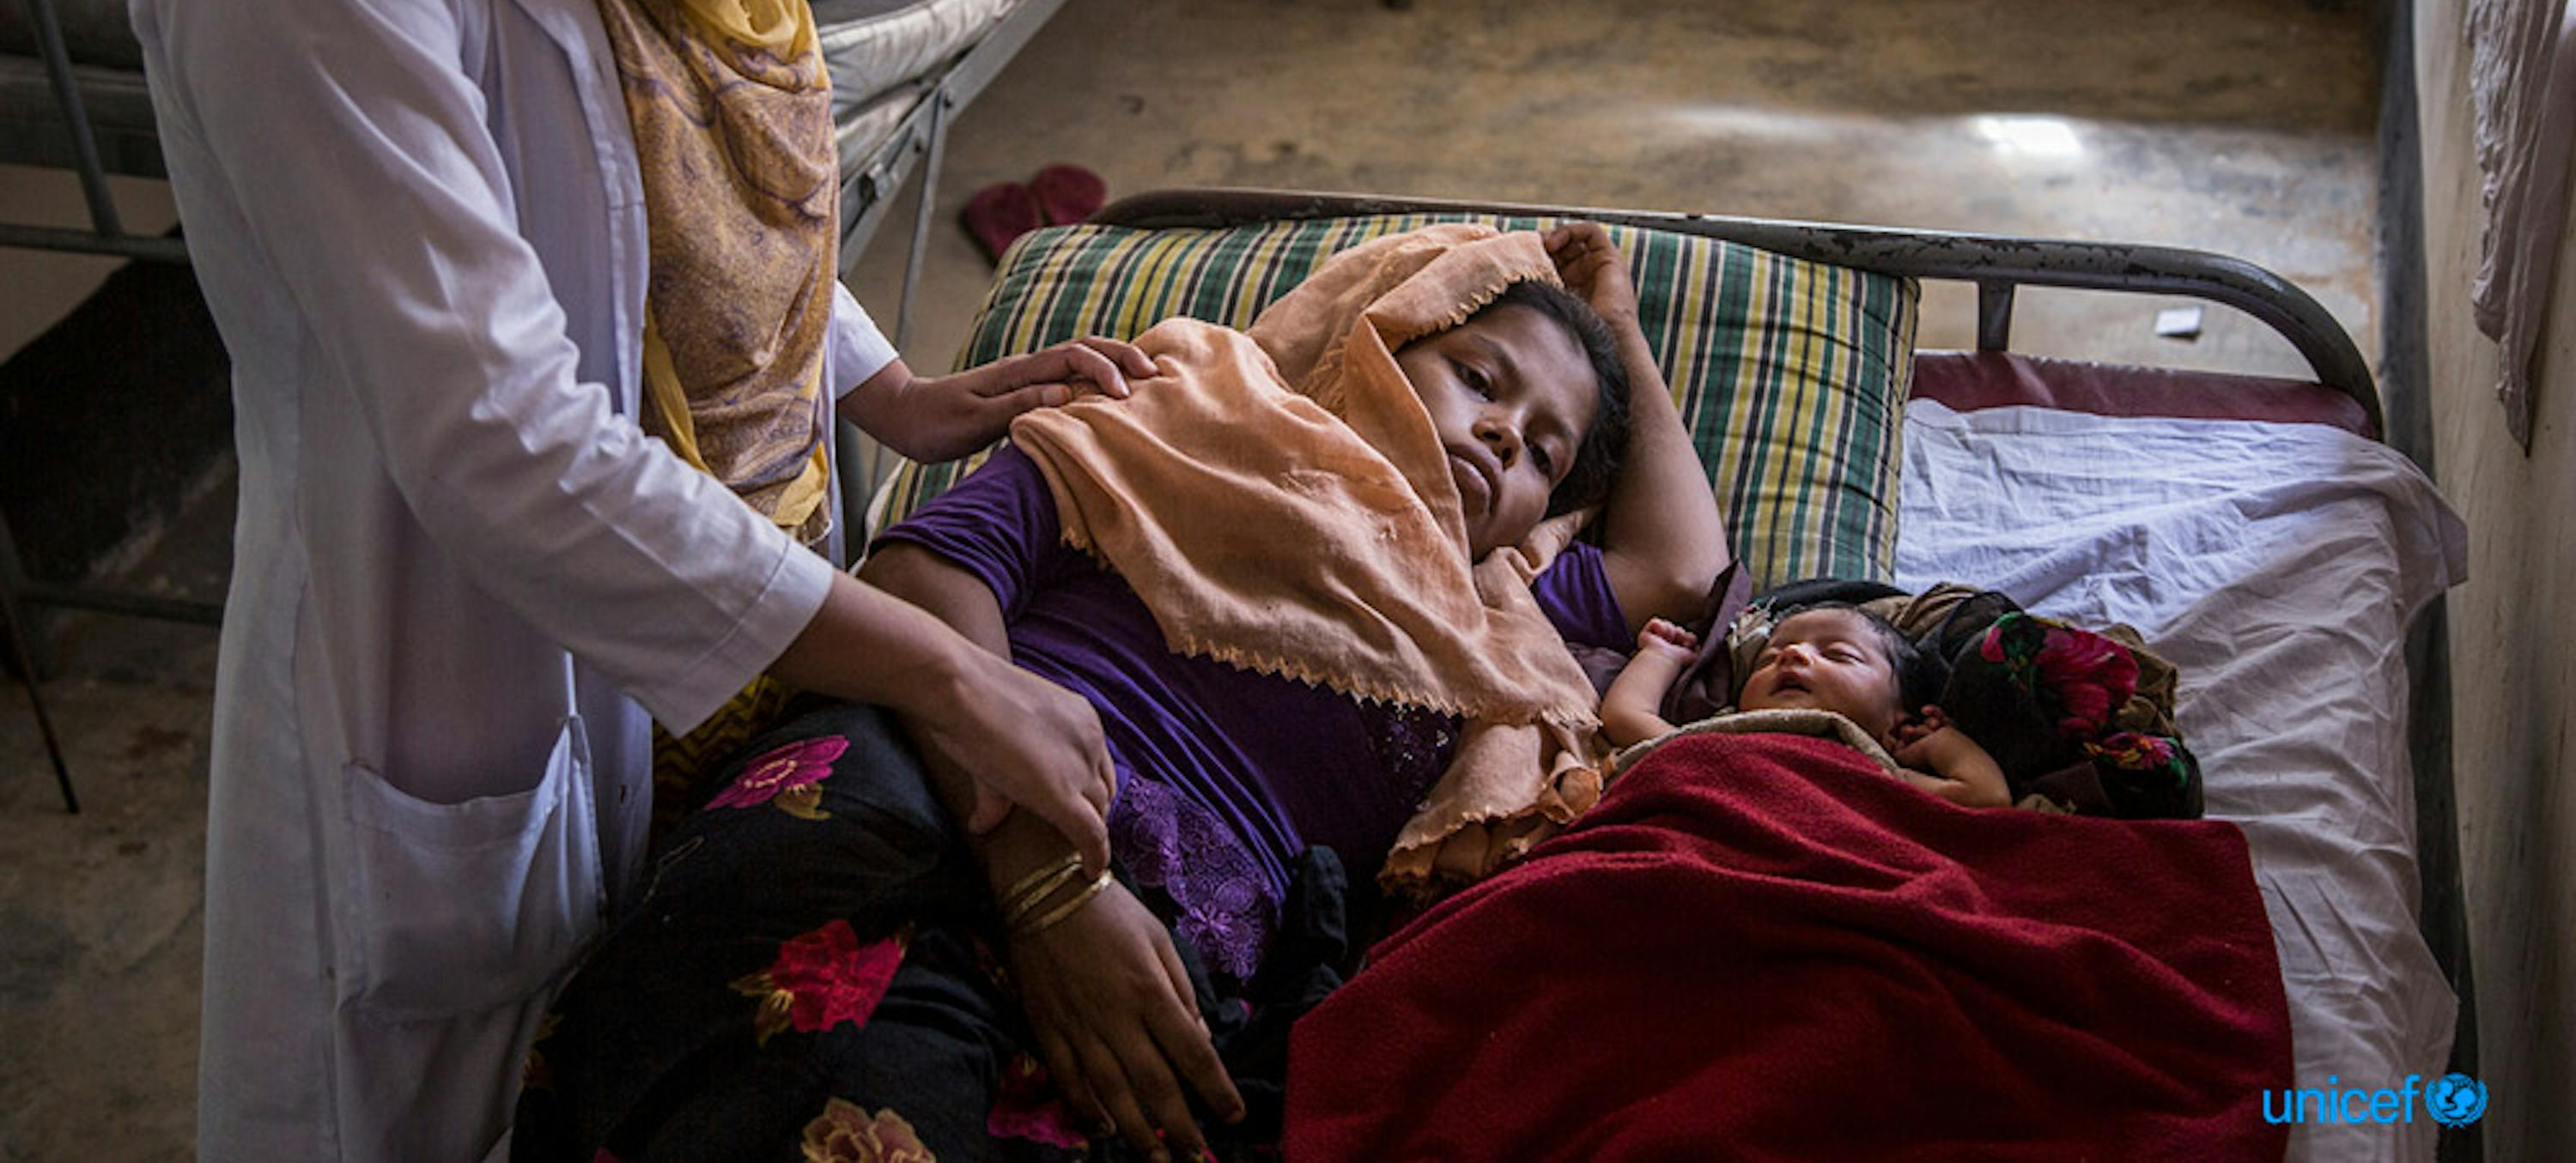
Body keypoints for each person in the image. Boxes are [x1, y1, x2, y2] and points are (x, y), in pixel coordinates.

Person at [126, 0, 1150, 1156]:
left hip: (688, 685)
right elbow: (499, 430)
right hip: (466, 716)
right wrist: (948, 679)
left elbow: (674, 182)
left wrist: (883, 383)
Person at [514, 223, 1735, 1163]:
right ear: (1378, 336)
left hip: (1167, 979)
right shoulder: (1183, 418)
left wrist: (1612, 323)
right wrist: (1053, 881)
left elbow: (1683, 569)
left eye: (1548, 452)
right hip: (931, 799)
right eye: (1480, 375)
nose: (1504, 438)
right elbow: (923, 572)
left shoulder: (1501, 619)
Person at [1600, 603, 2012, 809]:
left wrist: (1938, 743)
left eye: (1838, 655)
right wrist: (1662, 655)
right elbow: (1625, 717)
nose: (1793, 653)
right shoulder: (1720, 736)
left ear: (1894, 720)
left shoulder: (1875, 768)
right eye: (1768, 658)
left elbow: (1987, 797)